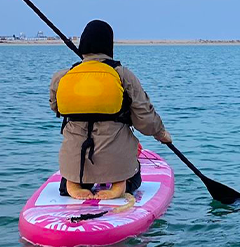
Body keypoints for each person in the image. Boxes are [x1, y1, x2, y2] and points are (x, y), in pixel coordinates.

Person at [49, 20, 172, 200]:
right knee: (134, 177)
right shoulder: (122, 75)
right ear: (109, 46)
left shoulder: (63, 76)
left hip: (76, 164)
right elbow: (145, 118)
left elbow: (56, 107)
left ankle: (72, 184)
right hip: (116, 162)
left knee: (74, 171)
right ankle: (120, 185)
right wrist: (161, 134)